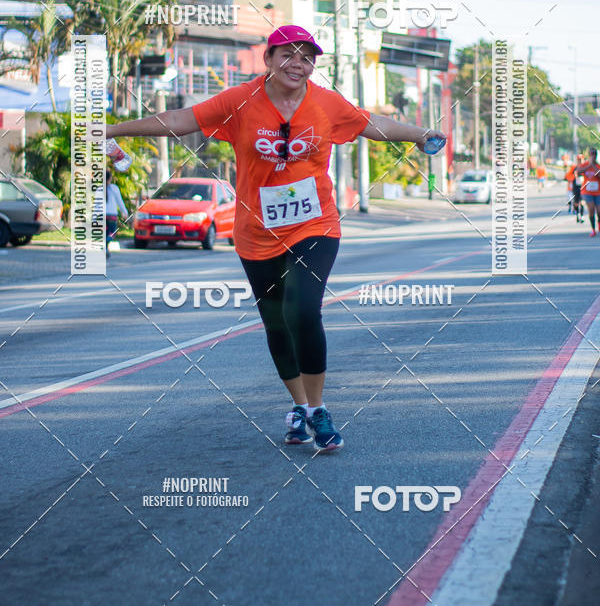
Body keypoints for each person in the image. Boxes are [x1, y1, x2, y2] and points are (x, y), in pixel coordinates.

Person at [104, 25, 445, 452]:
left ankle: (319, 410)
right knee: (276, 324)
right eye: (288, 55)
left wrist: (419, 134)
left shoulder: (327, 104)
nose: (297, 64)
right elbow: (177, 119)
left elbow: (370, 124)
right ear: (268, 59)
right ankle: (299, 406)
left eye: (306, 57)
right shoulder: (239, 101)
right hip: (255, 233)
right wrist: (112, 130)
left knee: (303, 310)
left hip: (314, 224)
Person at [576, 147, 600, 237]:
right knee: (591, 210)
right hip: (587, 192)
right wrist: (589, 165)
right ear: (589, 155)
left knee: (599, 211)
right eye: (591, 154)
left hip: (598, 192)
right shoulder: (585, 164)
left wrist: (593, 165)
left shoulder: (597, 166)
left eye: (594, 154)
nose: (593, 156)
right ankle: (593, 229)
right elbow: (578, 171)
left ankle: (599, 224)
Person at [105, 169, 128, 256]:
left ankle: (105, 247)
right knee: (112, 233)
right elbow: (120, 202)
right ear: (110, 178)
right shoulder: (114, 188)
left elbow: (96, 204)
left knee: (104, 233)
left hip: (102, 215)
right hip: (112, 215)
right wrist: (124, 212)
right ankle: (106, 244)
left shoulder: (99, 189)